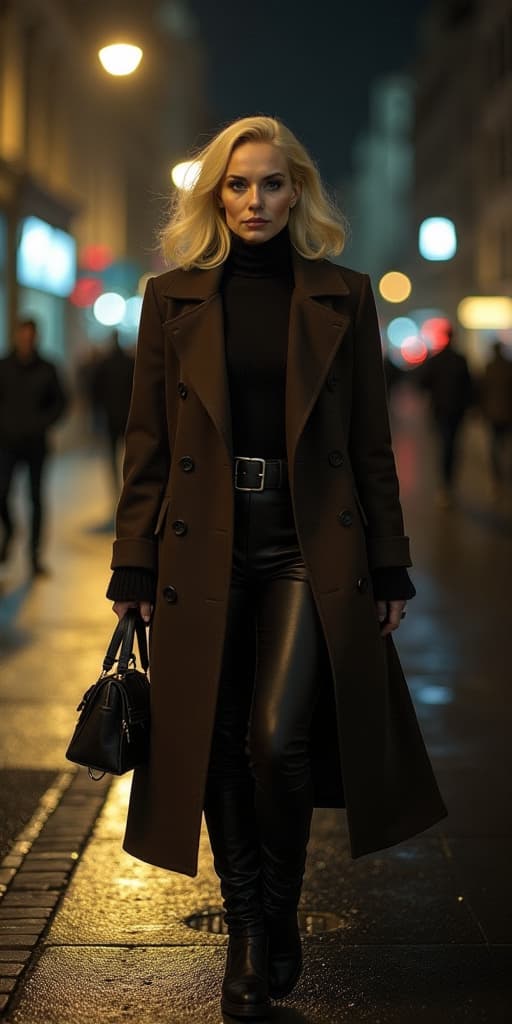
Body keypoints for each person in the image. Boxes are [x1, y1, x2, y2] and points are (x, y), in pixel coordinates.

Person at [106, 116, 447, 1019]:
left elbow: (372, 447)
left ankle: (280, 910)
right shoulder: (171, 297)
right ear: (214, 195)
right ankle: (250, 924)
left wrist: (391, 563)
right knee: (215, 737)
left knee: (274, 738)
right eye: (237, 185)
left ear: (299, 193)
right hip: (201, 536)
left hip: (307, 539)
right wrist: (132, 565)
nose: (254, 201)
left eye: (272, 184)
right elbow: (146, 445)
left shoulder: (344, 293)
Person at [0, 318, 67, 574]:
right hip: (6, 443)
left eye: (30, 335)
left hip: (36, 444)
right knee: (1, 492)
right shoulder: (4, 366)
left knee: (36, 499)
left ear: (36, 337)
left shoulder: (48, 368)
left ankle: (34, 557)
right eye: (22, 335)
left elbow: (61, 402)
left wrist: (42, 423)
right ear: (17, 336)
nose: (26, 340)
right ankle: (10, 530)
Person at [415, 324, 474, 506]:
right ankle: (449, 482)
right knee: (452, 444)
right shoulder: (460, 360)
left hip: (440, 410)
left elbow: (422, 382)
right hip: (457, 410)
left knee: (444, 444)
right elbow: (469, 386)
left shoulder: (436, 360)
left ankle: (445, 484)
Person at [91, 330, 134, 495]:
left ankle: (116, 487)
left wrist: (99, 410)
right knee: (131, 453)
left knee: (112, 454)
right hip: (128, 415)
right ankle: (128, 484)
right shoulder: (130, 363)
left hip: (110, 416)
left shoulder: (104, 364)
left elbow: (95, 391)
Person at [479, 340, 512, 494]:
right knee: (506, 443)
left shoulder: (489, 367)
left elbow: (482, 391)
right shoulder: (508, 367)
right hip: (507, 412)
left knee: (494, 444)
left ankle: (497, 475)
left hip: (492, 413)